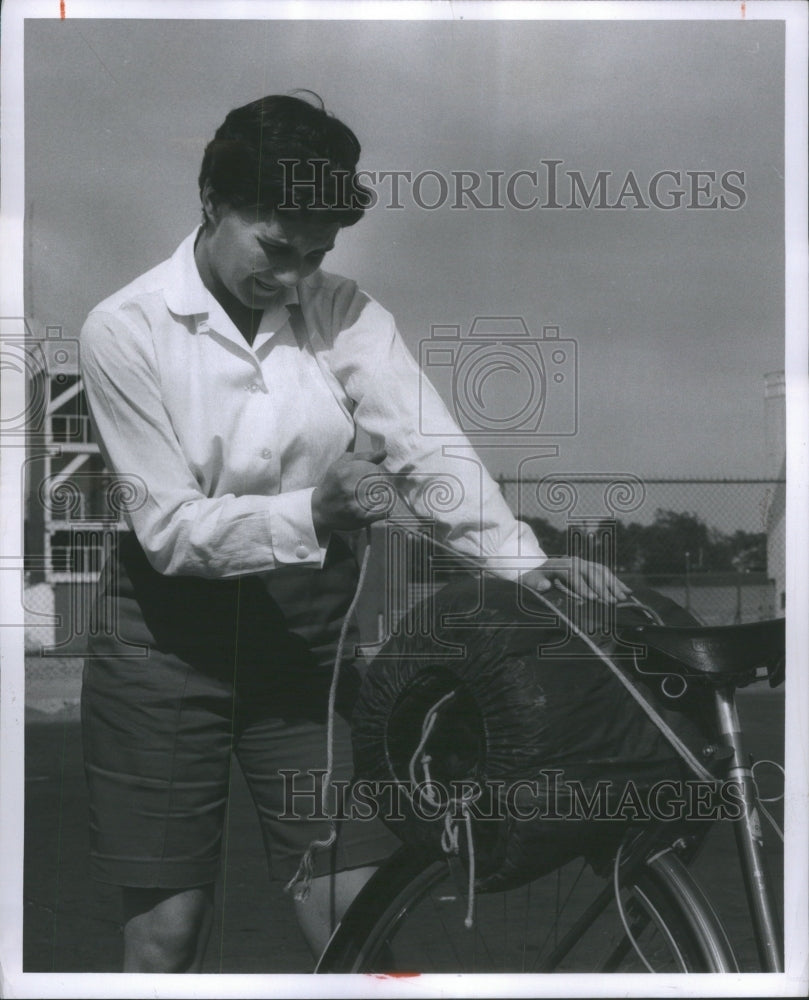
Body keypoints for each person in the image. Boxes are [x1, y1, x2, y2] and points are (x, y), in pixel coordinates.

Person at [79, 92, 629, 973]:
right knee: (166, 936)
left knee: (358, 921)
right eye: (275, 248)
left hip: (305, 655)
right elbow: (170, 531)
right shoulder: (123, 327)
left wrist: (524, 565)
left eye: (318, 253)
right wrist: (314, 513)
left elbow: (426, 443)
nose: (296, 277)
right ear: (212, 202)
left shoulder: (347, 311)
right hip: (161, 651)